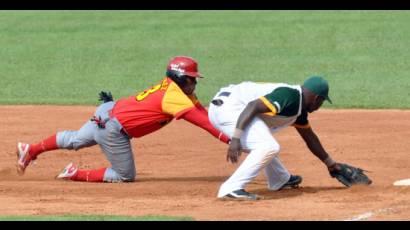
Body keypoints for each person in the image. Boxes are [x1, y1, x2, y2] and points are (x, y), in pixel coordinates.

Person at [16, 56, 230, 183]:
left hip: (107, 111)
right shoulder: (174, 97)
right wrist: (231, 139)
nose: (195, 82)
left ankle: (31, 149)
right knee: (124, 175)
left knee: (75, 140)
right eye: (192, 78)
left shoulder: (179, 91)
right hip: (113, 128)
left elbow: (204, 113)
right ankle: (74, 173)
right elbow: (203, 123)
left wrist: (231, 131)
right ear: (181, 78)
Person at [208, 76, 346, 200]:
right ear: (317, 98)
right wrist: (236, 137)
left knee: (264, 140)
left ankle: (280, 179)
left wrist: (331, 164)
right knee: (267, 146)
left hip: (230, 107)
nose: (319, 106)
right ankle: (231, 188)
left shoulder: (299, 108)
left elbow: (309, 137)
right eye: (321, 102)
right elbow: (253, 106)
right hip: (229, 109)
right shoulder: (290, 96)